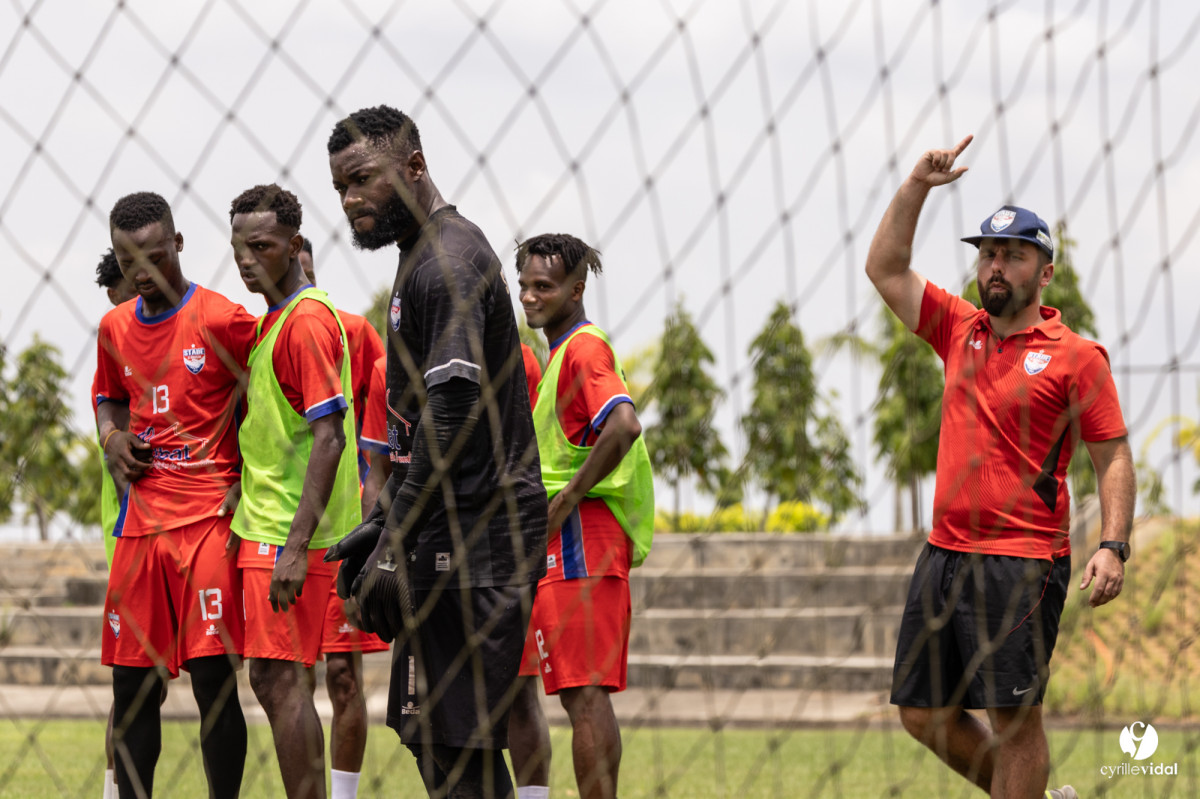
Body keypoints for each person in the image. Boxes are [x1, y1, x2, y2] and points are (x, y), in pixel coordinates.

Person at [865, 136, 1135, 799]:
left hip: (1022, 563)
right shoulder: (959, 329)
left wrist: (1113, 545)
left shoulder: (1077, 357)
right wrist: (916, 186)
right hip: (943, 554)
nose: (996, 266)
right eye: (988, 253)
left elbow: (1112, 455)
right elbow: (885, 268)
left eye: (1013, 255)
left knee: (1014, 723)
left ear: (1045, 273)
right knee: (921, 713)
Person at [324, 104, 548, 799]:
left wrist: (394, 539)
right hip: (448, 528)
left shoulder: (449, 261)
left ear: (414, 166)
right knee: (440, 741)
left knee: (452, 748)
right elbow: (421, 425)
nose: (351, 200)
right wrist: (383, 520)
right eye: (341, 187)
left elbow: (452, 415)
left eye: (363, 179)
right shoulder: (420, 255)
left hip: (481, 536)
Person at [97, 191, 253, 799]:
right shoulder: (114, 327)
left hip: (208, 522)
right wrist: (112, 436)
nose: (141, 272)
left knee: (214, 682)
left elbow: (268, 394)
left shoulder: (222, 319)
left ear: (178, 243)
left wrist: (248, 475)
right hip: (140, 527)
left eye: (154, 257)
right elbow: (108, 398)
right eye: (127, 261)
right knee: (132, 689)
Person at [508, 234, 655, 799]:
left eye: (543, 286)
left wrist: (566, 498)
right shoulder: (559, 354)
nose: (529, 296)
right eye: (524, 285)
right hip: (569, 542)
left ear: (576, 289)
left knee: (585, 696)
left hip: (581, 539)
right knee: (579, 695)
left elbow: (623, 424)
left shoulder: (585, 349)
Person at [228, 184, 362, 799]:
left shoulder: (305, 321)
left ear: (294, 245)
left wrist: (294, 545)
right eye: (238, 248)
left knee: (280, 681)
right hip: (275, 522)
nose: (246, 259)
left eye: (260, 246)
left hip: (288, 531)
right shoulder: (276, 320)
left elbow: (329, 437)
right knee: (277, 679)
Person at [299, 236, 391, 799]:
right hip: (284, 529)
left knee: (342, 677)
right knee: (287, 679)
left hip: (344, 527)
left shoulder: (352, 331)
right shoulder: (260, 337)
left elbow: (382, 410)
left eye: (307, 270)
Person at [92, 247, 138, 799]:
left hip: (178, 531)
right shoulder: (114, 361)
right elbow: (120, 463)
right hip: (130, 538)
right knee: (134, 685)